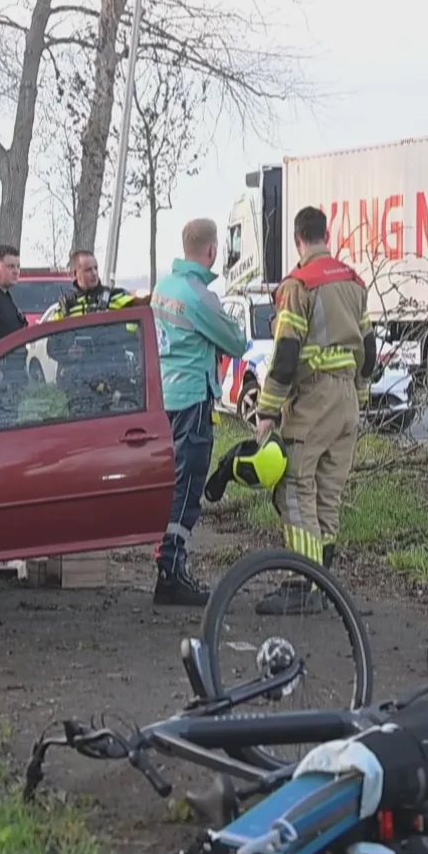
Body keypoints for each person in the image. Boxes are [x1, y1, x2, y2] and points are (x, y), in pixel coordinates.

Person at [250, 206, 379, 616]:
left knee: (294, 487)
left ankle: (301, 584)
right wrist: (360, 393)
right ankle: (323, 583)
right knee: (328, 493)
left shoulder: (298, 285)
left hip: (313, 399)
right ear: (327, 234)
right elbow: (370, 348)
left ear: (297, 239)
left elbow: (287, 354)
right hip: (346, 401)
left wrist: (267, 411)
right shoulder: (354, 281)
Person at [149, 218, 250, 606]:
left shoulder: (163, 287)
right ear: (211, 252)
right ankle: (171, 572)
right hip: (191, 400)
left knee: (167, 487)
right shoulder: (198, 296)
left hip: (163, 401)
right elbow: (237, 343)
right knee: (187, 488)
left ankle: (167, 564)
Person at [56, 249, 141, 318]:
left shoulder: (115, 297)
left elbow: (145, 308)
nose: (94, 273)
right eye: (88, 270)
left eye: (95, 268)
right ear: (74, 274)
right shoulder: (65, 307)